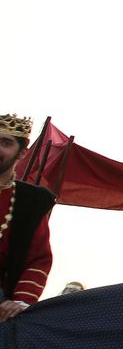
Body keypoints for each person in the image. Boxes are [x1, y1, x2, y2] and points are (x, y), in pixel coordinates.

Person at [0, 114, 55, 321]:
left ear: (22, 153)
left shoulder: (30, 202)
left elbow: (38, 261)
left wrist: (20, 302)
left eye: (5, 143)